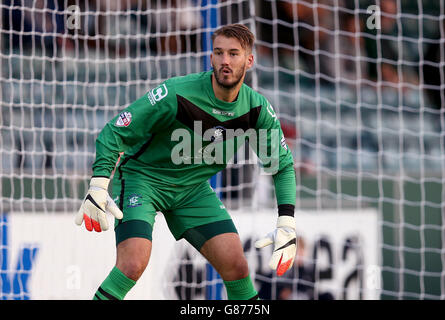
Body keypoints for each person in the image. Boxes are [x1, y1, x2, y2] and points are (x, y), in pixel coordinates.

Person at [75, 24, 297, 300]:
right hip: (144, 179)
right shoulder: (176, 94)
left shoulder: (257, 109)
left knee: (237, 266)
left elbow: (282, 165)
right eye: (219, 53)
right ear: (211, 57)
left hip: (192, 189)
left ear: (249, 60)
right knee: (133, 264)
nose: (225, 61)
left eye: (234, 54)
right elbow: (116, 130)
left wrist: (287, 222)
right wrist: (99, 182)